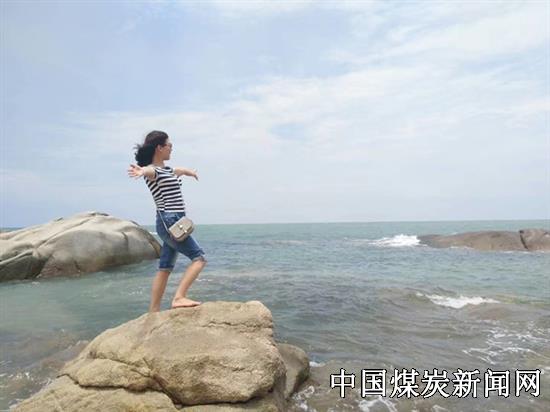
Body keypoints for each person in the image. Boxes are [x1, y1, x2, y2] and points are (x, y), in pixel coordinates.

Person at [127, 130, 207, 312]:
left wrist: (190, 172)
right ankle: (179, 297)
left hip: (175, 220)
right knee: (199, 259)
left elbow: (180, 170)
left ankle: (153, 310)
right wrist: (141, 170)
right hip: (169, 221)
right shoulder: (154, 171)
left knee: (165, 268)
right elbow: (149, 171)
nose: (172, 148)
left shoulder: (168, 170)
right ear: (159, 148)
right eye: (169, 145)